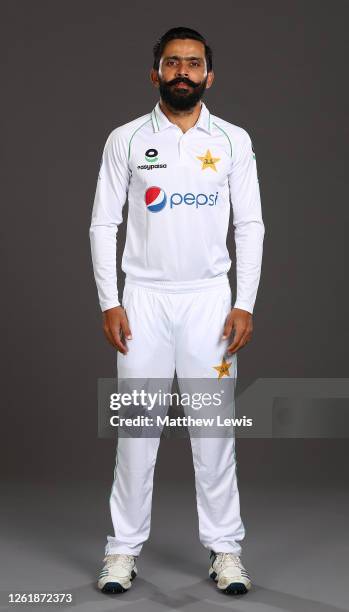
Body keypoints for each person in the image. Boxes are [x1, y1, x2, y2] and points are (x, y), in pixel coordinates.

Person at [89, 26, 265, 596]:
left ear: (209, 75)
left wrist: (244, 301)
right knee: (136, 432)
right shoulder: (127, 138)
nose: (182, 72)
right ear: (155, 73)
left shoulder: (234, 140)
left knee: (214, 433)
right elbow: (103, 224)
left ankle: (226, 551)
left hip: (210, 301)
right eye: (172, 63)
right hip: (142, 300)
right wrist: (110, 300)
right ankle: (121, 551)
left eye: (193, 63)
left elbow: (250, 225)